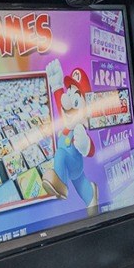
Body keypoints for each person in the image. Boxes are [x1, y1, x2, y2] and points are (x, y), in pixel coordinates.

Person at [42, 62, 99, 216]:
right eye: (68, 93)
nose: (67, 102)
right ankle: (91, 196)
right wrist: (56, 85)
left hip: (73, 162)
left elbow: (91, 150)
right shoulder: (68, 122)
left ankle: (60, 184)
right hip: (75, 169)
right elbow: (63, 105)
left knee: (60, 153)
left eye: (75, 101)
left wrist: (85, 144)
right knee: (81, 184)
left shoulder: (79, 129)